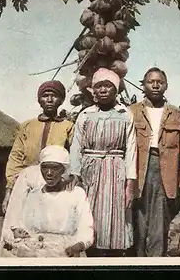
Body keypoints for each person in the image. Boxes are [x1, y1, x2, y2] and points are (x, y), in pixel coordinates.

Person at [68, 68, 137, 257]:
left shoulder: (125, 114)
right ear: (93, 92)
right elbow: (76, 146)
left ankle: (114, 256)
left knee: (115, 213)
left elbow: (131, 149)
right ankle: (91, 252)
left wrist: (130, 183)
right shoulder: (86, 114)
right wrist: (75, 174)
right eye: (99, 86)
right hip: (90, 170)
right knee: (90, 212)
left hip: (116, 169)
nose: (103, 90)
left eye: (108, 86)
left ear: (116, 91)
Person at [129, 67, 180, 257]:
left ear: (166, 86)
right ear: (143, 85)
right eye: (150, 81)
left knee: (159, 228)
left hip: (166, 173)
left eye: (160, 82)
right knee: (137, 225)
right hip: (138, 171)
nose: (155, 85)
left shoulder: (176, 115)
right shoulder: (131, 112)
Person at [0, 145, 94, 258]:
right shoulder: (34, 195)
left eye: (54, 168)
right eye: (45, 168)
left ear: (64, 169)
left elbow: (86, 227)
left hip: (67, 251)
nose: (49, 173)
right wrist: (20, 232)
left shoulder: (76, 194)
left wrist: (79, 245)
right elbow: (24, 225)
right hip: (37, 251)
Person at [2, 80, 74, 214]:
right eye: (45, 96)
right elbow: (15, 158)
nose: (50, 99)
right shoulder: (27, 126)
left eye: (55, 95)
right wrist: (9, 190)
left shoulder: (67, 127)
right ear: (39, 100)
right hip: (27, 182)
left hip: (56, 183)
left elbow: (73, 157)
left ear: (61, 100)